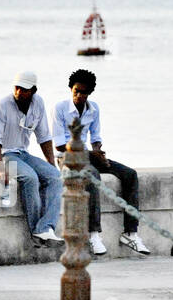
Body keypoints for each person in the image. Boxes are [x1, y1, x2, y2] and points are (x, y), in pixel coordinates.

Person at [53, 69, 150, 256]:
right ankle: (93, 233)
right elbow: (59, 145)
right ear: (70, 89)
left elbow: (96, 136)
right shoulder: (60, 108)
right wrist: (91, 154)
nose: (79, 96)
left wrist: (98, 152)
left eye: (84, 92)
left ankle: (130, 233)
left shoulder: (94, 109)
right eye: (76, 91)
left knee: (130, 174)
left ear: (90, 93)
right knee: (93, 175)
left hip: (88, 154)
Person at [0, 71, 63, 245]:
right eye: (17, 88)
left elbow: (44, 136)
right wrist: (1, 170)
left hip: (21, 153)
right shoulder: (1, 106)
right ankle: (36, 232)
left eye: (24, 89)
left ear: (33, 90)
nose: (19, 92)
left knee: (55, 177)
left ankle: (45, 228)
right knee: (30, 178)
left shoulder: (38, 103)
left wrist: (51, 164)